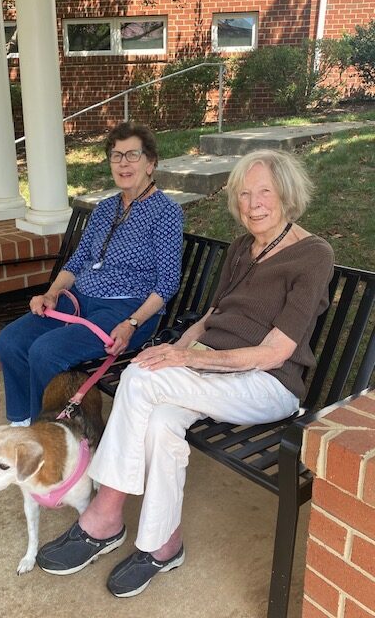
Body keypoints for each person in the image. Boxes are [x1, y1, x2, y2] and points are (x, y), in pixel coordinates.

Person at [35, 149, 335, 597]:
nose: (253, 203)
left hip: (266, 384)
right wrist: (176, 348)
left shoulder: (313, 255)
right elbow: (212, 314)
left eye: (264, 192)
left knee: (139, 377)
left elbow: (276, 352)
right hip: (210, 374)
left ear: (287, 195)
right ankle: (163, 545)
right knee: (158, 421)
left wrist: (186, 360)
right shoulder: (241, 248)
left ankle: (104, 517)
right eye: (244, 193)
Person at [0, 122, 184, 425]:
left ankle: (44, 433)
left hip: (127, 309)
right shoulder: (105, 208)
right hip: (80, 299)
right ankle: (22, 422)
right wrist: (52, 293)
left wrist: (132, 323)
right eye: (116, 155)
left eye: (132, 155)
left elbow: (167, 282)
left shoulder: (166, 213)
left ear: (150, 163)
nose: (123, 163)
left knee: (46, 352)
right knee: (11, 341)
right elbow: (78, 260)